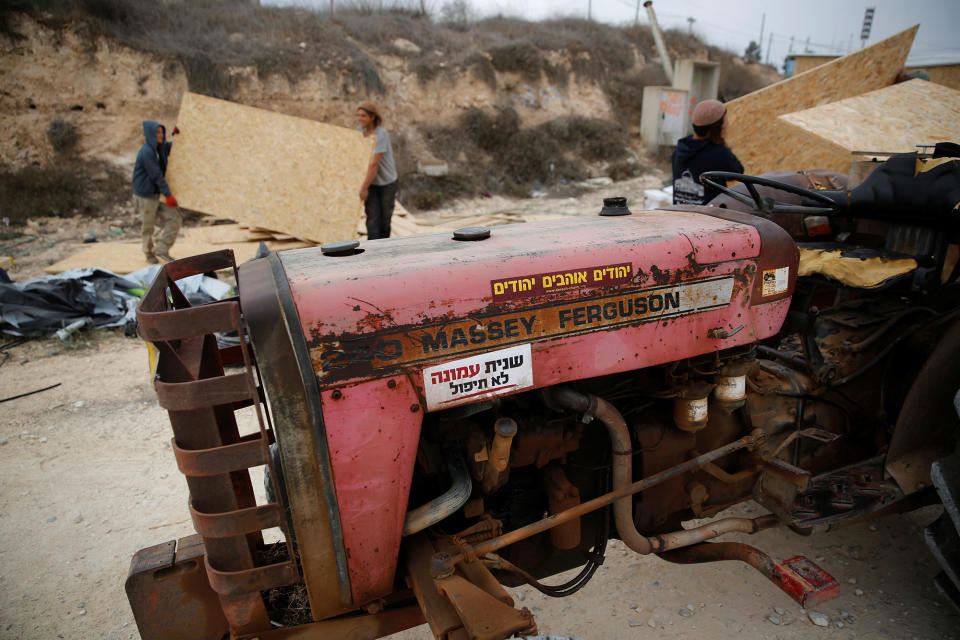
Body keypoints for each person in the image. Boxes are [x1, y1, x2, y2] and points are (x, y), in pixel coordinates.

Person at [672, 99, 744, 206]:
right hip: (708, 219)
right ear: (717, 127)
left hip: (680, 214)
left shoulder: (680, 149)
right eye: (725, 121)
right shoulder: (719, 153)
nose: (728, 124)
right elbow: (738, 171)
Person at [133, 120, 180, 263]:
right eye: (157, 132)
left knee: (175, 218)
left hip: (157, 193)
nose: (161, 135)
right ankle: (149, 254)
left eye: (162, 132)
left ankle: (161, 247)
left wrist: (178, 136)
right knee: (148, 226)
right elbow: (156, 175)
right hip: (146, 195)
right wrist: (168, 195)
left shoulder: (160, 148)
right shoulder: (147, 152)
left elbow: (174, 147)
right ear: (150, 134)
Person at [356, 102, 398, 240]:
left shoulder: (381, 134)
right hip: (372, 183)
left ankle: (384, 247)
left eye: (363, 115)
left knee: (385, 218)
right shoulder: (359, 132)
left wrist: (363, 187)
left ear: (372, 117)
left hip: (387, 183)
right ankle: (372, 250)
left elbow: (374, 164)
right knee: (372, 217)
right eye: (358, 115)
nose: (360, 118)